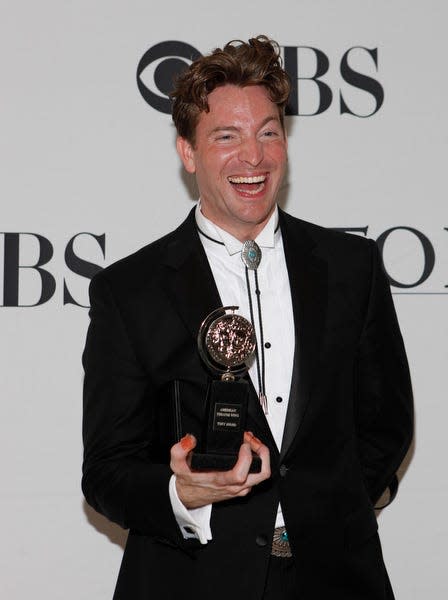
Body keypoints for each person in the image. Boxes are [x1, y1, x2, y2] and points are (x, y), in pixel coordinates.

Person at [82, 36, 413, 600]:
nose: (253, 157)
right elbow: (108, 471)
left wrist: (329, 508)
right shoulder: (129, 290)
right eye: (226, 136)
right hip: (191, 581)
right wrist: (183, 493)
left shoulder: (350, 267)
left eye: (268, 132)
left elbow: (386, 423)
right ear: (188, 152)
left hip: (335, 580)